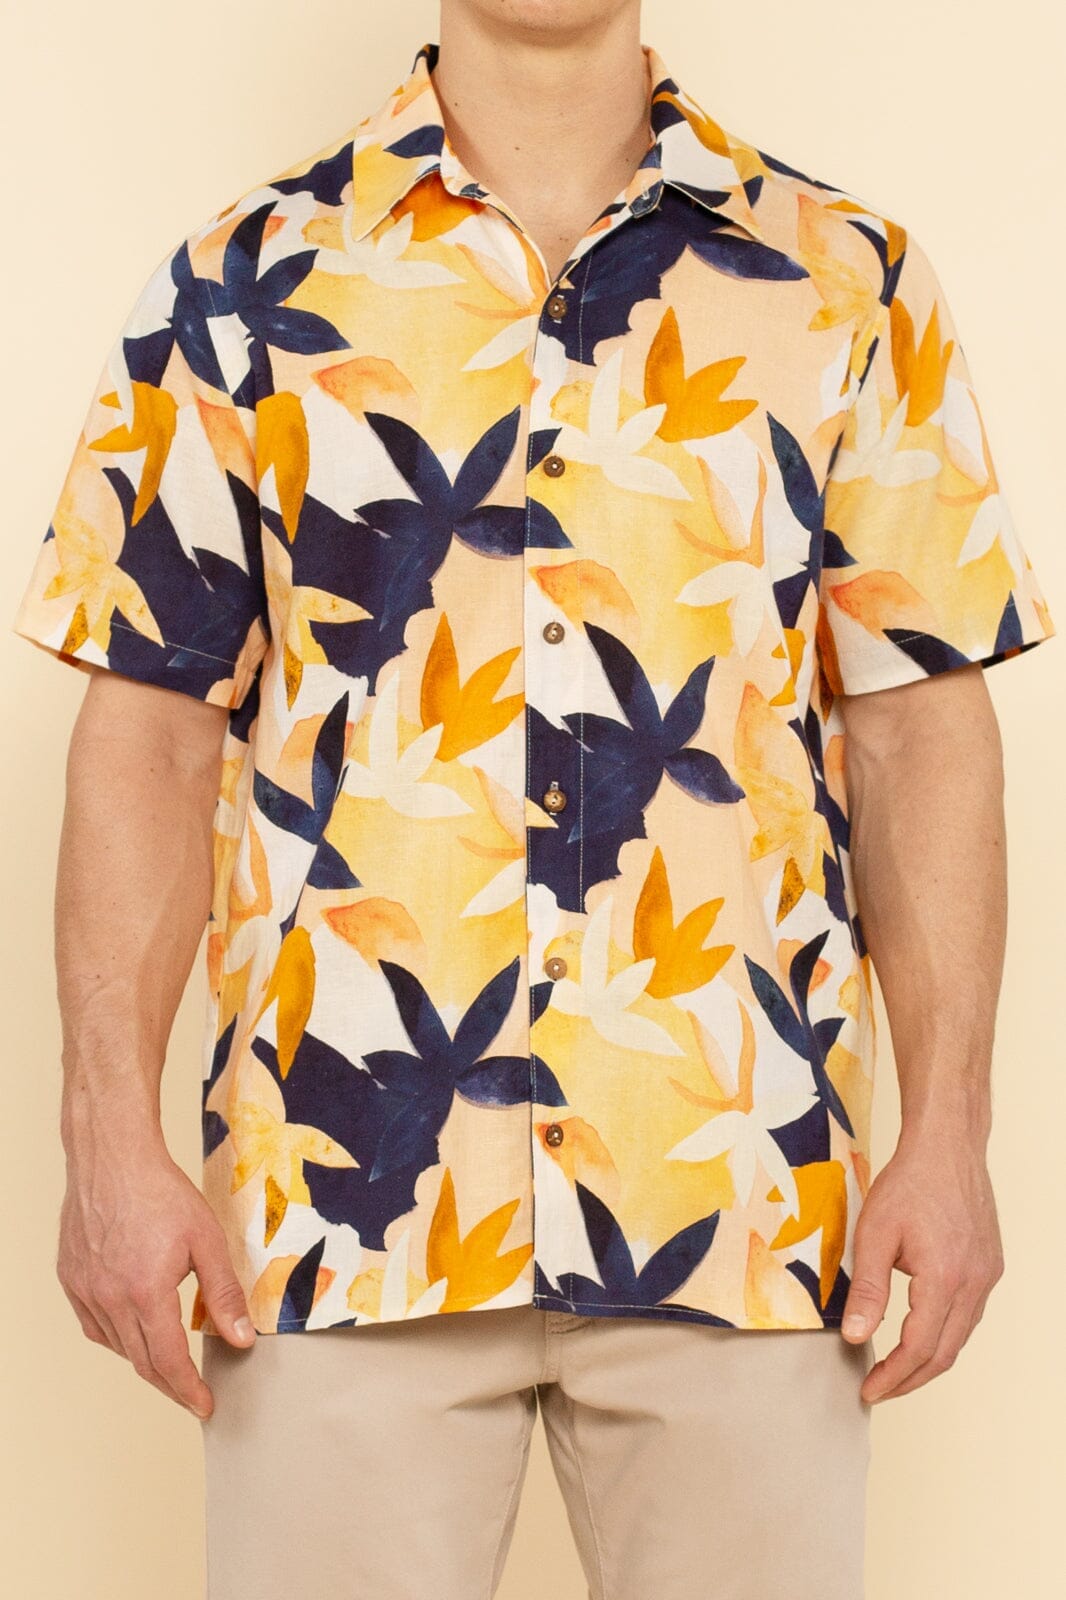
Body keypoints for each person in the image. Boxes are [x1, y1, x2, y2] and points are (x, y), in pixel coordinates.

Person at [11, 3, 1056, 1596]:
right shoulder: (244, 279)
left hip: (743, 1197)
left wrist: (950, 1133)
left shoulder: (848, 279)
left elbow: (919, 727)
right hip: (340, 1205)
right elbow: (146, 729)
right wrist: (107, 1140)